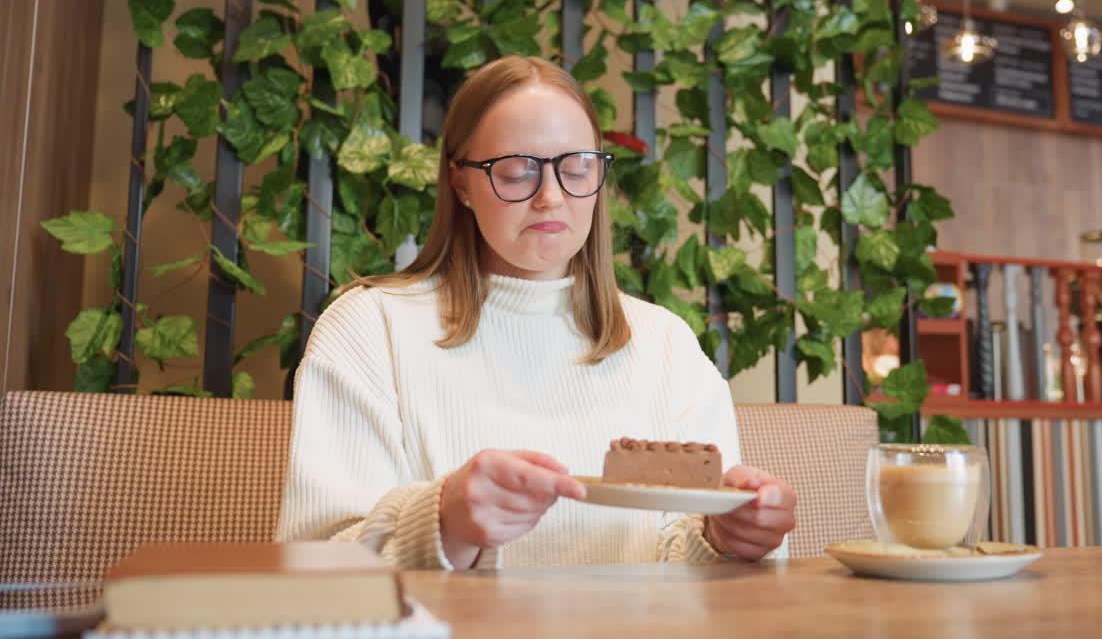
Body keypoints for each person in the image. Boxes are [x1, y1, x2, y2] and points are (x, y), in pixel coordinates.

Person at [276, 56, 797, 570]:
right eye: (517, 171)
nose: (551, 197)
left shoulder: (665, 344)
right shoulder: (369, 329)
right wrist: (442, 522)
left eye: (576, 168)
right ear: (461, 184)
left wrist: (729, 538)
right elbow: (315, 563)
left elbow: (690, 562)